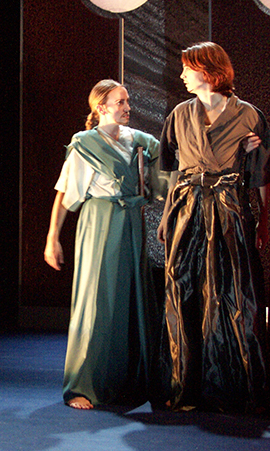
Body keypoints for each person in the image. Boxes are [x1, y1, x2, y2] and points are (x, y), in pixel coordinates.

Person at [156, 42, 270, 413]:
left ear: (208, 72)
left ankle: (231, 388)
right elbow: (171, 172)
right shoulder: (179, 114)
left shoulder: (249, 116)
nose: (182, 75)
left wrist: (264, 221)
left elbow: (260, 176)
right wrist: (166, 216)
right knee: (183, 292)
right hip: (188, 210)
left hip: (228, 212)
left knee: (230, 295)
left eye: (188, 69)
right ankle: (184, 385)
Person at [44, 79, 163, 410]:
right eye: (119, 102)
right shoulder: (85, 144)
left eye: (127, 101)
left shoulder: (140, 141)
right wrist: (53, 238)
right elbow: (65, 195)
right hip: (99, 221)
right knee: (96, 299)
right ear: (101, 107)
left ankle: (130, 381)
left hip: (132, 223)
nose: (127, 107)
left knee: (131, 299)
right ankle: (82, 385)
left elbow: (166, 165)